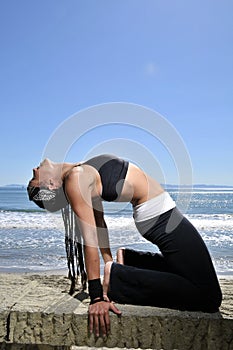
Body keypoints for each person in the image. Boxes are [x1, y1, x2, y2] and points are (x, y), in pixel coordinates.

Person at [27, 154, 222, 337]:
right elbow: (90, 237)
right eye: (34, 180)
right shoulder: (75, 178)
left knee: (192, 276)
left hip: (160, 215)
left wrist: (109, 260)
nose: (34, 170)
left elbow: (100, 224)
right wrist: (97, 297)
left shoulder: (79, 170)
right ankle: (119, 278)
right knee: (209, 297)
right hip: (161, 218)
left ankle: (128, 262)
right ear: (51, 185)